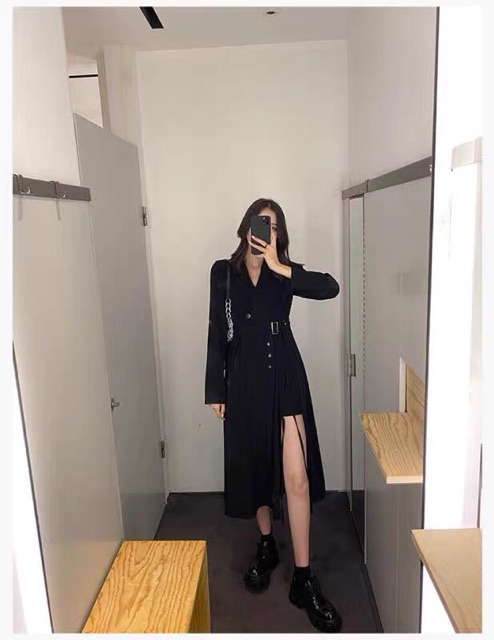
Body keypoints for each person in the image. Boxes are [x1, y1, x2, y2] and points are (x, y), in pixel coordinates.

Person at [205, 198, 342, 633]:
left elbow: (330, 287)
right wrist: (215, 389)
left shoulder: (285, 272)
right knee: (258, 471)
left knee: (296, 478)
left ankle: (303, 576)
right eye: (260, 222)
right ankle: (267, 544)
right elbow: (216, 330)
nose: (266, 230)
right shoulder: (222, 273)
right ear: (245, 225)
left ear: (279, 234)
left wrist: (279, 265)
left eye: (274, 225)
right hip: (243, 380)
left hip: (283, 373)